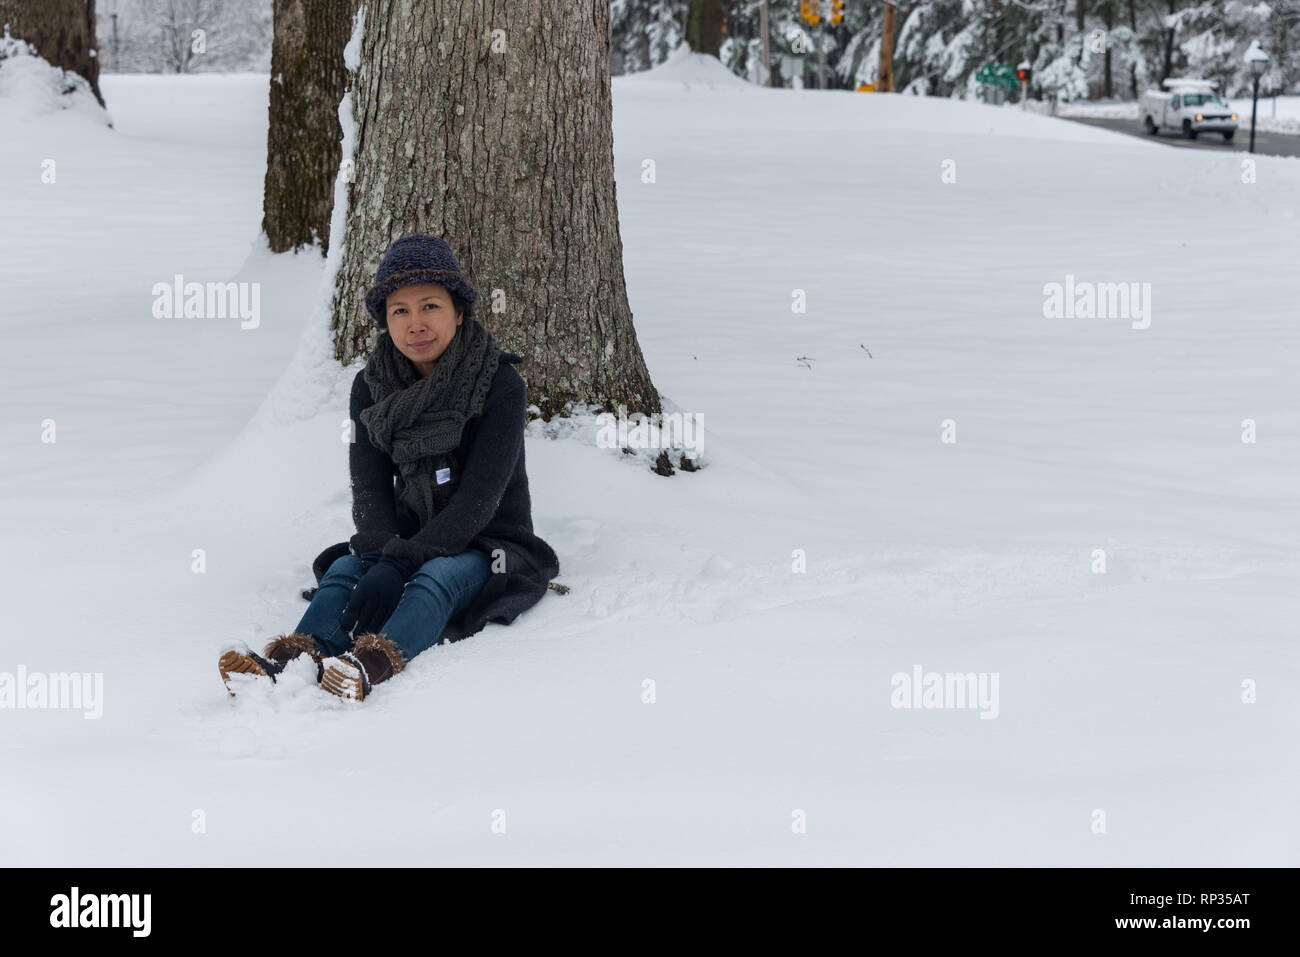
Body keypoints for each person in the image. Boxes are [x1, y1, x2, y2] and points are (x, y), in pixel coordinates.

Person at [218, 234, 561, 700]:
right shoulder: (371, 386)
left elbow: (482, 497)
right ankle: (288, 662)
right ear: (385, 320)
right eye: (400, 310)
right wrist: (381, 556)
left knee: (435, 577)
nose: (416, 324)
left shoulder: (498, 383)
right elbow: (370, 487)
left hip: (489, 540)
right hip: (408, 531)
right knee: (345, 567)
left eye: (430, 306)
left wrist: (403, 560)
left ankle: (367, 666)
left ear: (458, 312)